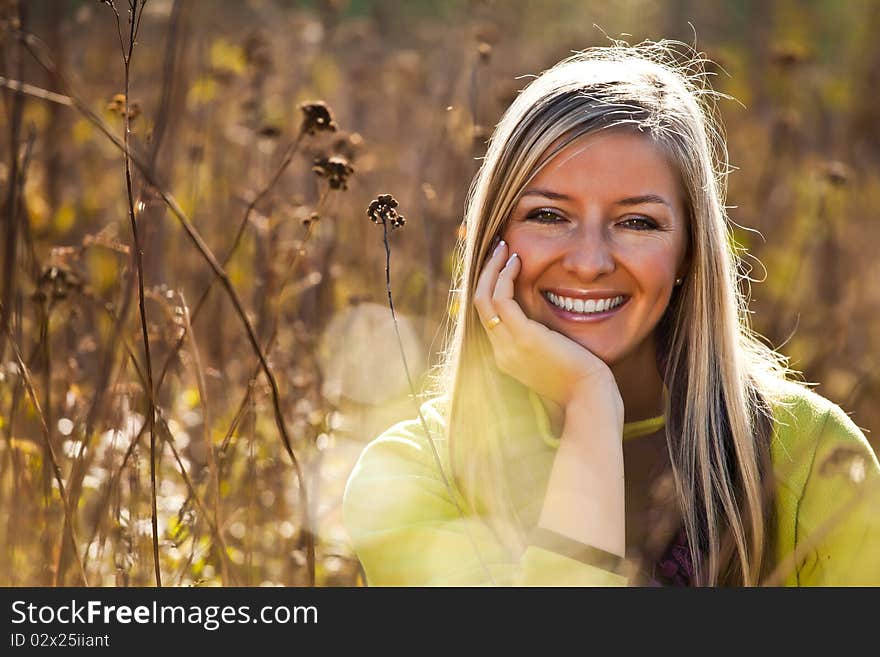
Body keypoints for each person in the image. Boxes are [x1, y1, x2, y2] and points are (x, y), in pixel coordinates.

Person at [342, 40, 880, 586]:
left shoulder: (810, 454)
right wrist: (590, 404)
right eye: (549, 215)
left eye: (638, 222)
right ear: (494, 238)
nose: (590, 262)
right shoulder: (411, 474)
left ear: (689, 252)